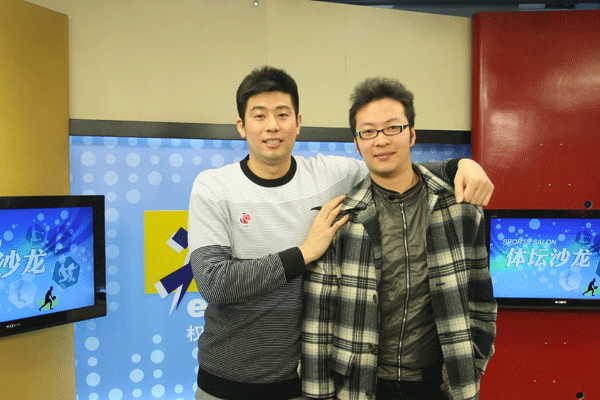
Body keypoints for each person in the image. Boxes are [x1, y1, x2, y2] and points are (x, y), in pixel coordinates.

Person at [187, 66, 494, 400]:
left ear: (298, 122)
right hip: (225, 382)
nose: (272, 125)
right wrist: (305, 252)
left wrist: (460, 166)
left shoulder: (331, 175)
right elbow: (214, 283)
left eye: (282, 114)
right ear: (241, 125)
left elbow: (394, 166)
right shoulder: (214, 186)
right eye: (259, 116)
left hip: (298, 382)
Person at [302, 77, 497, 400]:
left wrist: (472, 362)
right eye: (368, 132)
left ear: (412, 134)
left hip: (440, 384)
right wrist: (318, 393)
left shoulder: (460, 209)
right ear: (356, 143)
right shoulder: (340, 220)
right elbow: (319, 318)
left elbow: (481, 298)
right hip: (361, 384)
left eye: (393, 128)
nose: (381, 140)